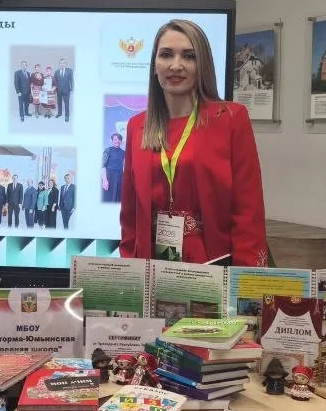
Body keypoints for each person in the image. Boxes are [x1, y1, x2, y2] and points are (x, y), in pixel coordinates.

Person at [119, 19, 269, 266]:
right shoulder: (137, 126)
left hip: (211, 264)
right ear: (154, 65)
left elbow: (248, 211)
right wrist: (128, 269)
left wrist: (244, 279)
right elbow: (129, 213)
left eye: (189, 56)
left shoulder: (230, 119)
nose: (176, 65)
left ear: (202, 65)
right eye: (166, 55)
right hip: (150, 265)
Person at [102, 132, 125, 202]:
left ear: (121, 141)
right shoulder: (107, 150)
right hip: (109, 177)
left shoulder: (124, 152)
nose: (117, 141)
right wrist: (104, 180)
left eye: (119, 139)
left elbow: (125, 166)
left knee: (119, 199)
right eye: (115, 139)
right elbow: (103, 166)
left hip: (120, 177)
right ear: (112, 140)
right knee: (109, 199)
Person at [54, 58, 73, 122]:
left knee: (66, 103)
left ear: (65, 64)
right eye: (61, 63)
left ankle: (67, 116)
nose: (62, 64)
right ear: (59, 64)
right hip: (59, 90)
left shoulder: (69, 71)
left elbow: (71, 80)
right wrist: (55, 88)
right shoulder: (56, 72)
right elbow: (55, 81)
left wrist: (72, 88)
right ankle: (59, 113)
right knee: (59, 103)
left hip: (66, 90)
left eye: (63, 63)